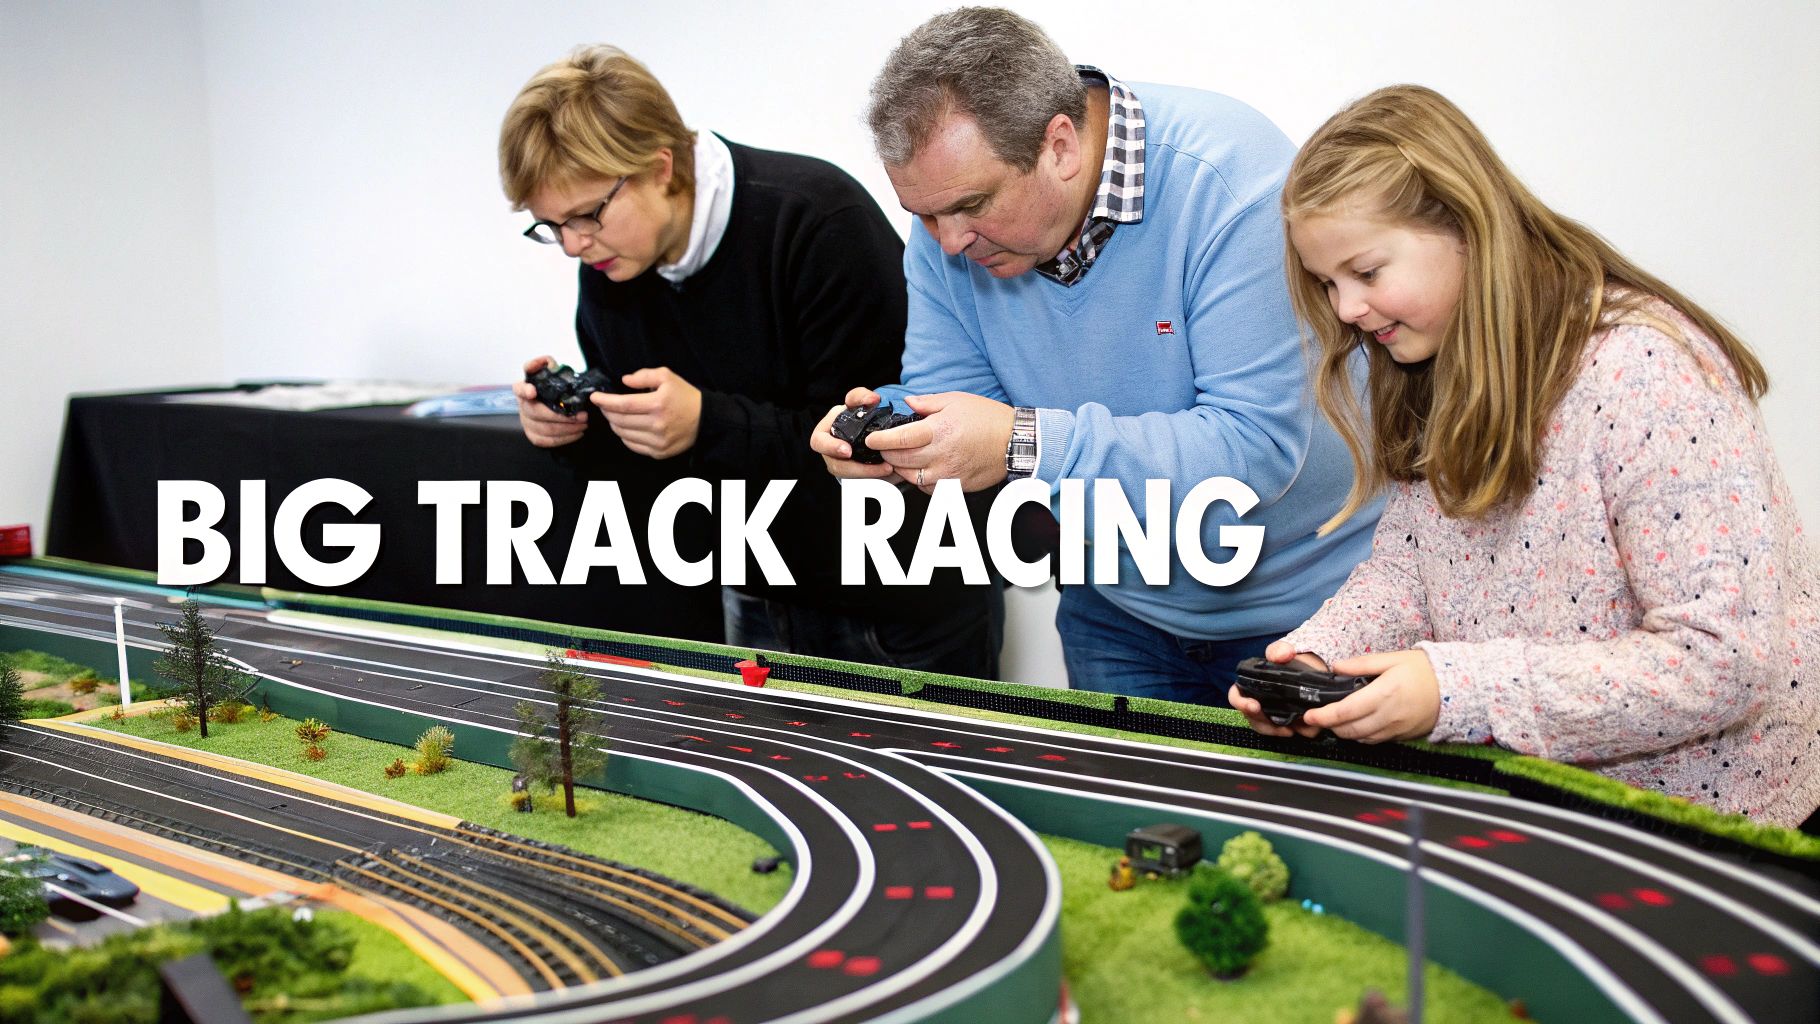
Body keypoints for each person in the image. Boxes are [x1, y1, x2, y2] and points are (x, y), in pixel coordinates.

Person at [1231, 84, 1819, 827]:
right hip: (1559, 812)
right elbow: (1408, 571)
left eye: (1368, 273)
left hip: (1719, 825)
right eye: (1328, 284)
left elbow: (1720, 661)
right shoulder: (1433, 365)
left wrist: (1456, 691)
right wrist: (1318, 661)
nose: (1346, 309)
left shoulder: (1646, 371)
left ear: (1467, 228)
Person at [810, 8, 1374, 705]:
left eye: (969, 205)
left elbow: (1254, 453)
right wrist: (897, 436)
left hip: (1310, 617)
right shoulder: (945, 228)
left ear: (1060, 145)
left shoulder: (1228, 182)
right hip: (1115, 610)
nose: (946, 242)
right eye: (923, 215)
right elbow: (962, 408)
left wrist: (1021, 441)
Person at [499, 45, 1002, 677]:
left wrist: (704, 424)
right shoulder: (608, 265)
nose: (573, 244)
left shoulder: (816, 220)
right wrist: (575, 432)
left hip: (897, 603)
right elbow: (646, 478)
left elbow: (882, 445)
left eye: (587, 215)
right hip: (755, 595)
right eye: (549, 226)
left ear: (659, 167)